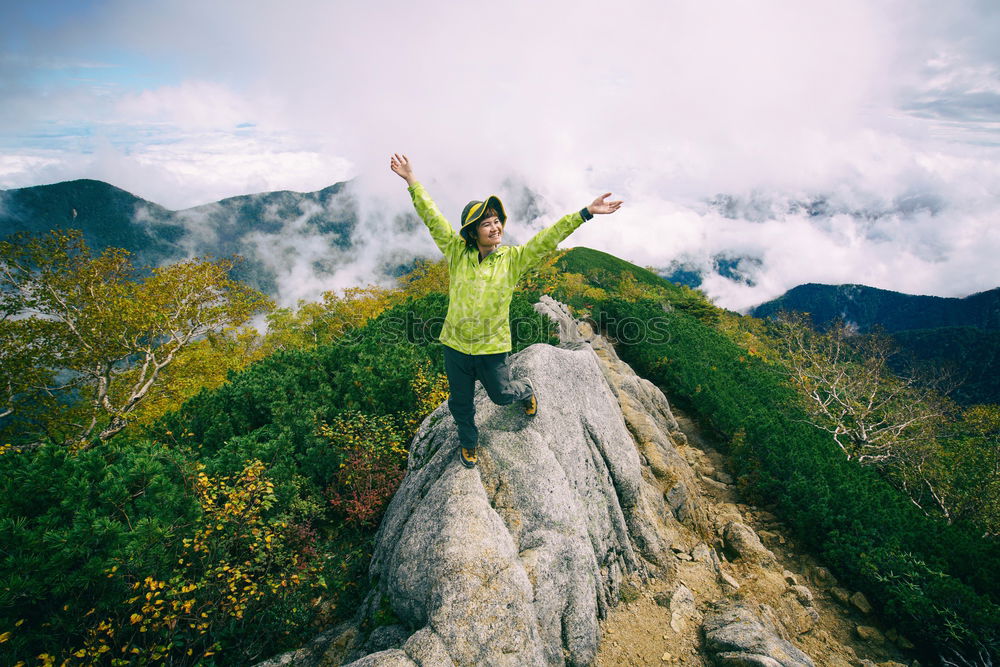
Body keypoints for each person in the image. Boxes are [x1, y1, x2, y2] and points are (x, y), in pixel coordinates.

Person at [390, 153, 623, 468]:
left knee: (501, 395)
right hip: (455, 346)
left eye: (496, 221)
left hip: (491, 348)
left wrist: (584, 213)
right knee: (460, 404)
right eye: (486, 223)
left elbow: (546, 239)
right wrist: (411, 180)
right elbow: (432, 216)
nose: (495, 227)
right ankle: (469, 443)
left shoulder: (513, 259)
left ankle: (525, 391)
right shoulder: (456, 252)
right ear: (473, 232)